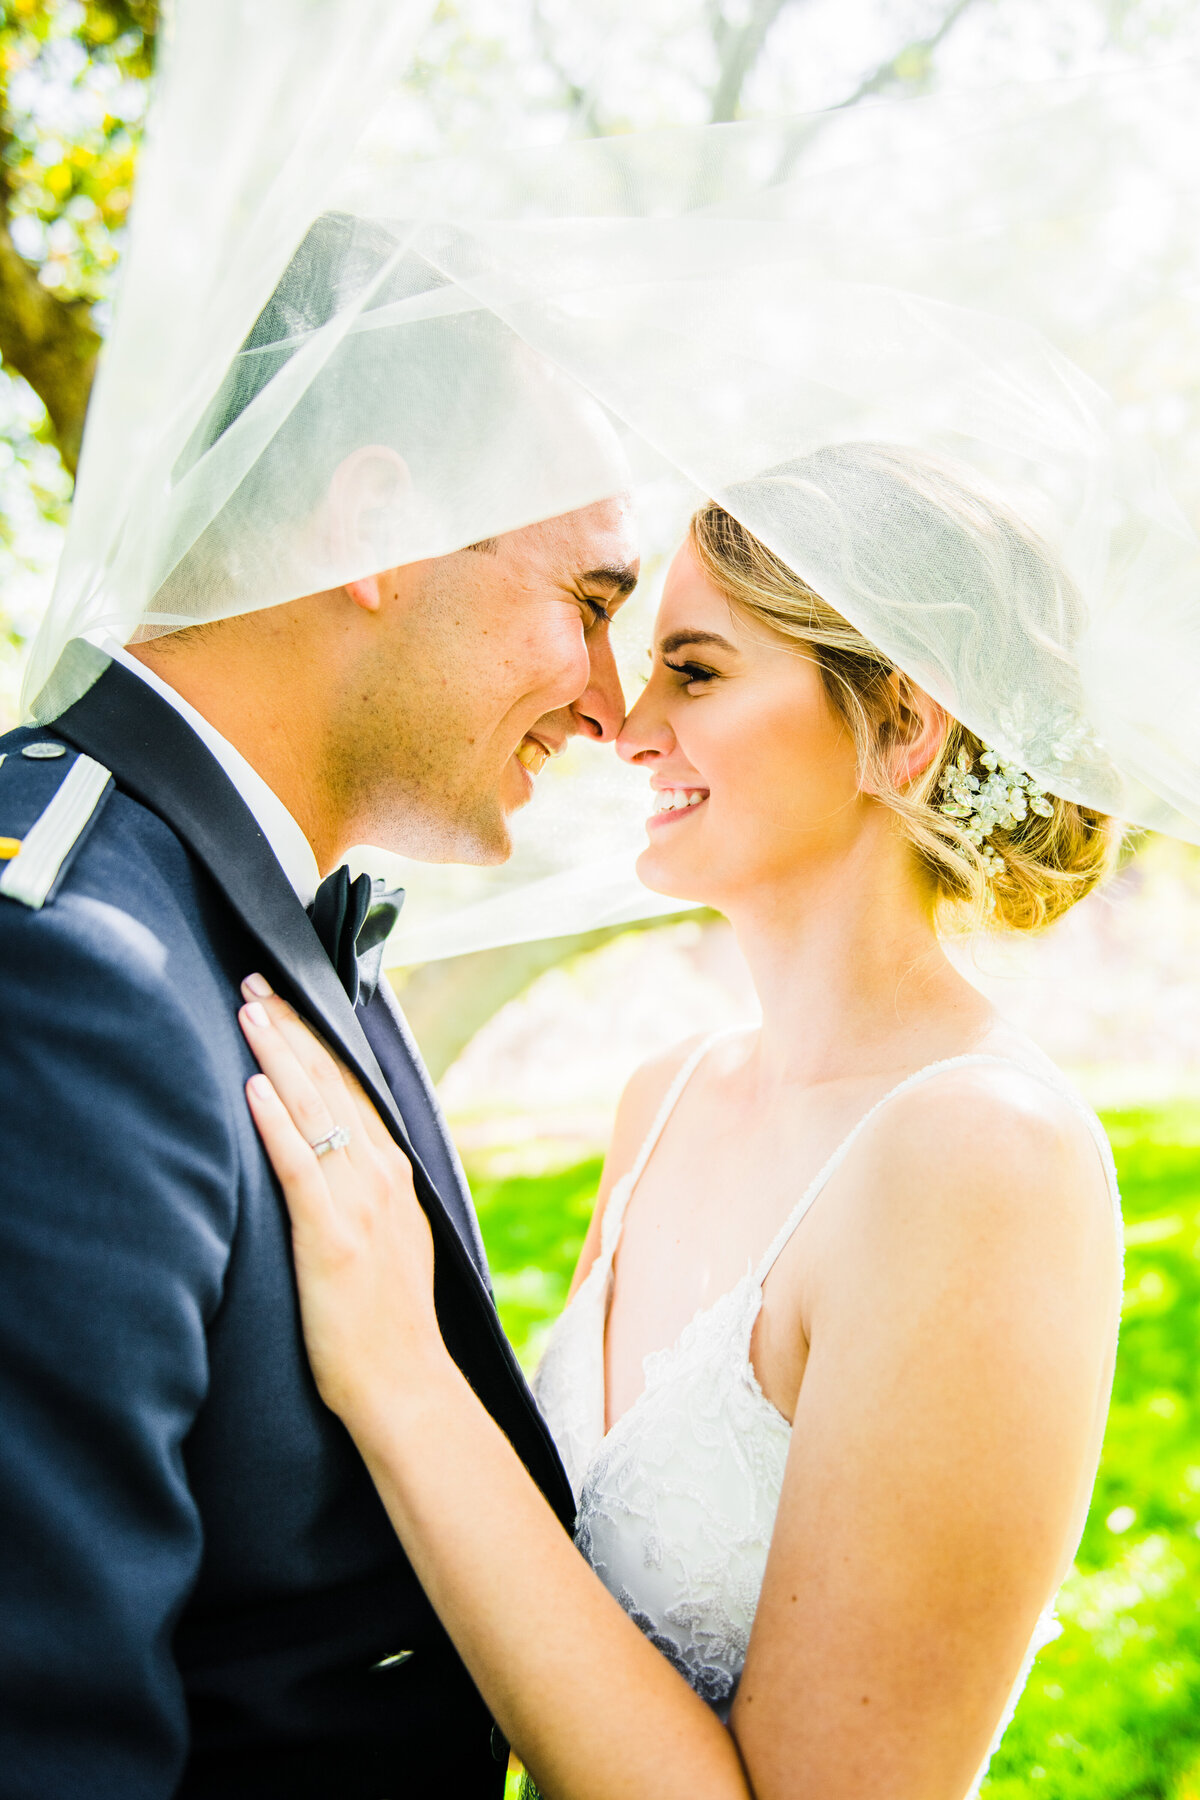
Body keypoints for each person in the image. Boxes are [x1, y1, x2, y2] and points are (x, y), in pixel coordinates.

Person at [237, 448, 1126, 1800]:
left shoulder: (980, 1155)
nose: (624, 721)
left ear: (905, 727)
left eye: (696, 673)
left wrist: (401, 1379)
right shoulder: (667, 1096)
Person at [0, 221, 639, 1796]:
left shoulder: (239, 901)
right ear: (379, 529)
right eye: (590, 599)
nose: (613, 702)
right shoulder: (65, 953)